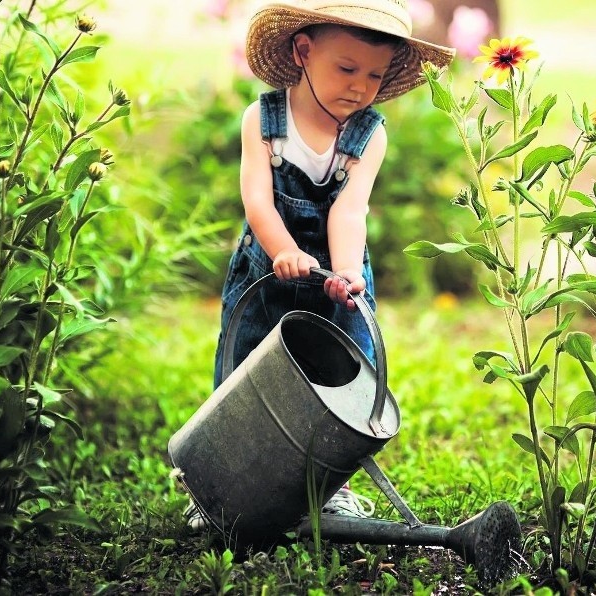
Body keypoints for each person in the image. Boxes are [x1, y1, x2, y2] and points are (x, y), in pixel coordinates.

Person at [185, 0, 454, 531]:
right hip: (268, 270)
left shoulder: (367, 134)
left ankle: (333, 488)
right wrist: (284, 248)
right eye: (347, 68)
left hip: (337, 274)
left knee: (343, 374)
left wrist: (347, 272)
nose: (360, 86)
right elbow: (258, 202)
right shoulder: (263, 122)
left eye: (375, 75)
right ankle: (216, 485)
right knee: (245, 368)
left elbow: (349, 211)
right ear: (303, 51)